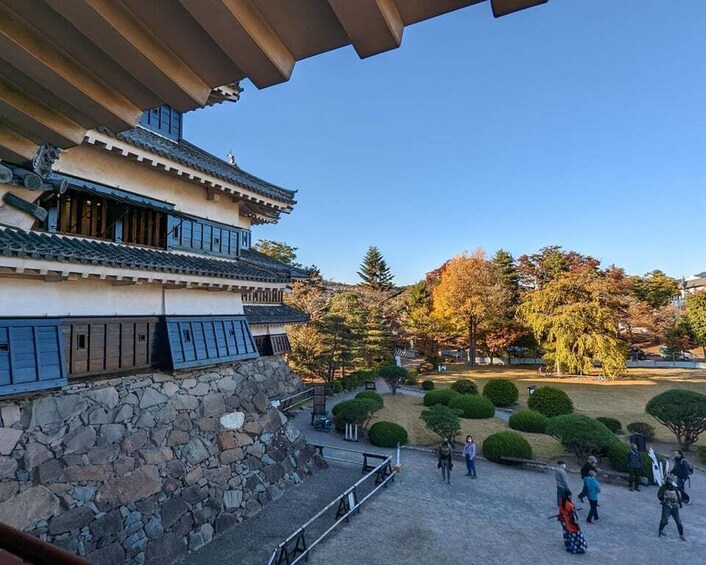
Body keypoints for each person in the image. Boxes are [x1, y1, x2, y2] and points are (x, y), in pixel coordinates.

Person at [658, 475, 685, 540]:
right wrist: (664, 498)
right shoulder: (663, 487)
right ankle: (660, 530)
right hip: (667, 506)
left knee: (678, 521)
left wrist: (680, 503)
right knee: (664, 520)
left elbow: (679, 496)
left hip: (674, 506)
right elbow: (659, 496)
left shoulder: (675, 488)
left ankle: (681, 534)